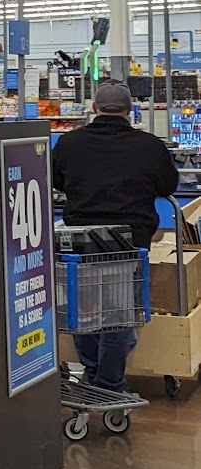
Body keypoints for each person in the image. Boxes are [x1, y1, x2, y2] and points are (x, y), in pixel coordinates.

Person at [51, 78, 179, 391]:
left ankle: (93, 375)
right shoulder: (150, 145)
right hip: (129, 242)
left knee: (83, 311)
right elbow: (168, 185)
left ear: (94, 108)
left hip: (79, 242)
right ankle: (108, 385)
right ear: (130, 110)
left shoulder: (69, 143)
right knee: (119, 316)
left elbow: (55, 181)